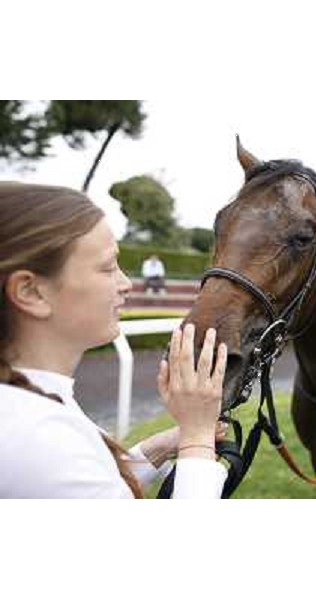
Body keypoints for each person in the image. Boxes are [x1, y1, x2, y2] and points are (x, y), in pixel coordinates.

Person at [0, 183, 227, 498]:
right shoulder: (40, 440)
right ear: (31, 292)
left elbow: (86, 483)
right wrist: (197, 435)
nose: (126, 283)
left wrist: (158, 447)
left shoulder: (29, 413)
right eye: (108, 267)